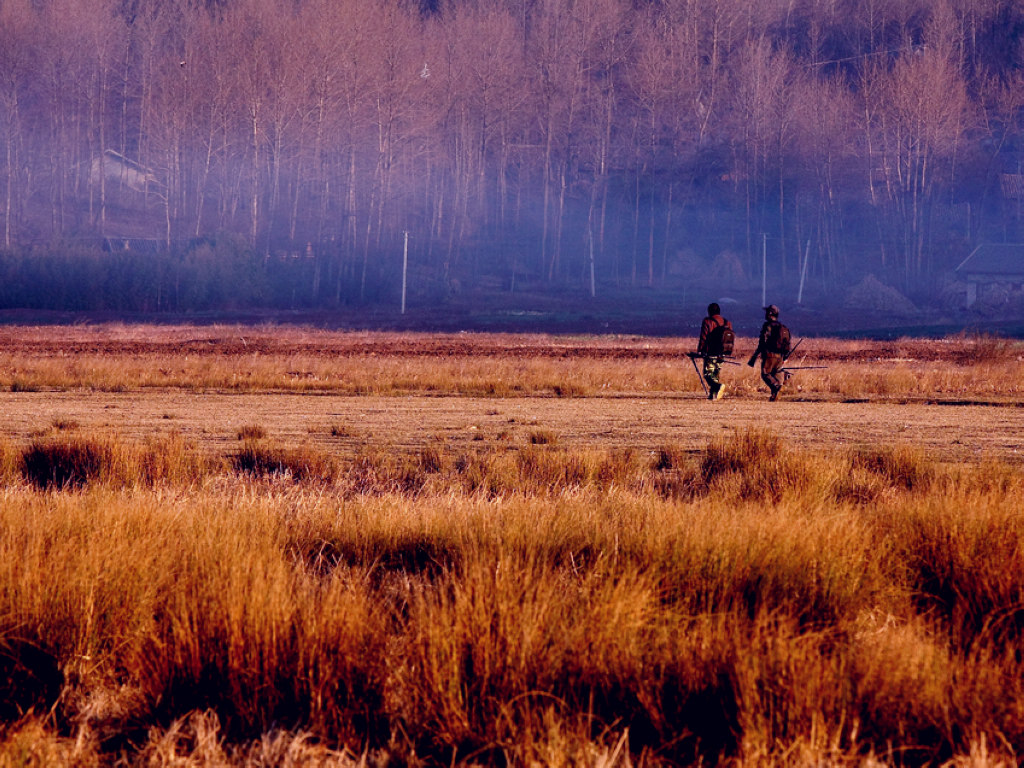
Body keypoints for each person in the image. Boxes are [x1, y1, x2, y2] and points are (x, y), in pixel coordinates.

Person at [748, 304, 790, 401]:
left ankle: (778, 386)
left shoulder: (767, 326)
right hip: (780, 357)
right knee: (776, 375)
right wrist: (785, 357)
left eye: (767, 312)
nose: (765, 314)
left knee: (765, 374)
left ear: (770, 314)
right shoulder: (782, 327)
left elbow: (762, 341)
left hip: (769, 356)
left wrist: (755, 356)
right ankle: (774, 395)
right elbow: (787, 343)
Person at [696, 302, 733, 400]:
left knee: (708, 374)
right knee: (715, 374)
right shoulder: (727, 322)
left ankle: (717, 387)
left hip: (711, 352)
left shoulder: (707, 321)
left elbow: (704, 336)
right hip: (722, 353)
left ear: (709, 311)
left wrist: (700, 350)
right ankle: (713, 396)